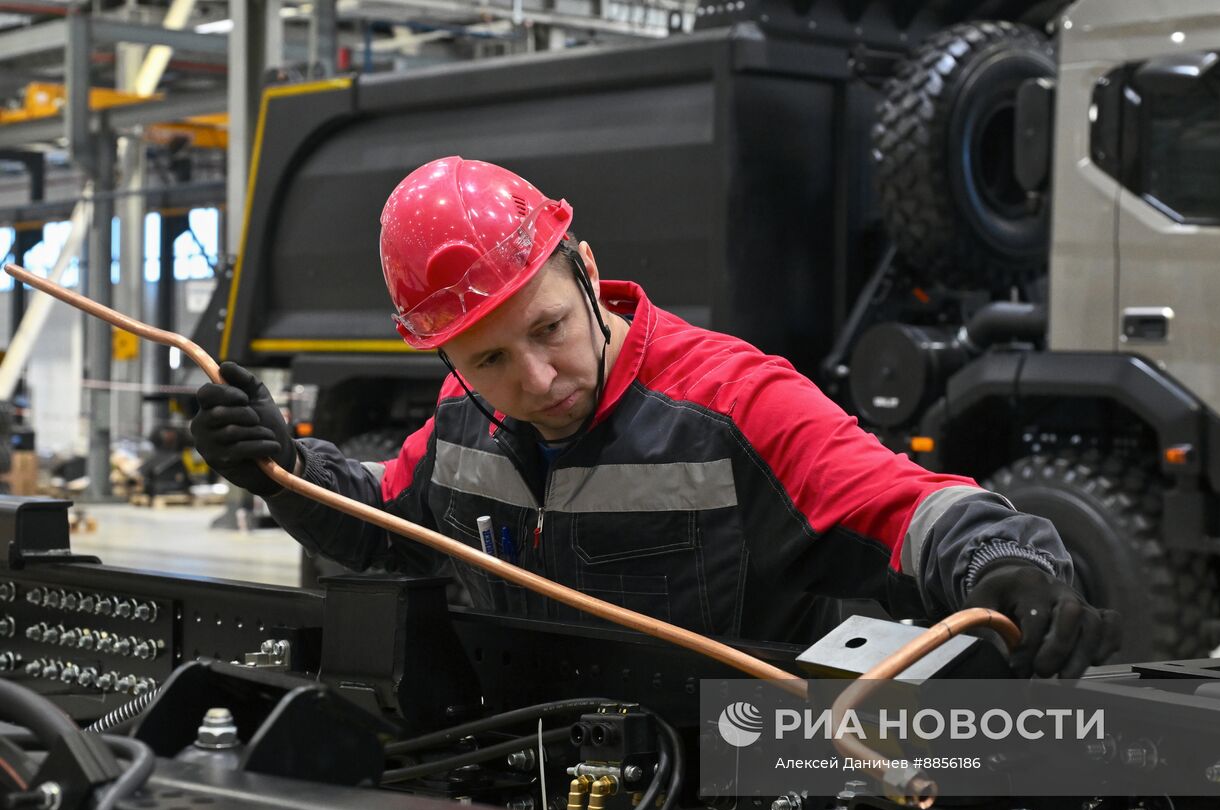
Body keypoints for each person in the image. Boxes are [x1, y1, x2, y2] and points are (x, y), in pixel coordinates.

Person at [191, 157, 1120, 677]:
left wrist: (1012, 562)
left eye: (551, 327)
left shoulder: (731, 404)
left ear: (588, 271)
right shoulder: (463, 420)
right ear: (446, 359)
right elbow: (386, 527)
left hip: (721, 784)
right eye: (488, 359)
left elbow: (912, 509)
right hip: (526, 772)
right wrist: (280, 466)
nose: (539, 377)